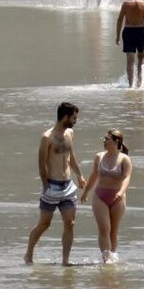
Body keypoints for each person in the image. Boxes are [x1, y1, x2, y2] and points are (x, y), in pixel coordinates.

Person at [24, 102, 86, 266]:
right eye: (73, 117)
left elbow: (70, 157)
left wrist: (79, 175)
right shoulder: (47, 137)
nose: (75, 121)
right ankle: (29, 253)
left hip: (68, 186)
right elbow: (42, 163)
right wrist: (46, 186)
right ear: (65, 117)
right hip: (52, 185)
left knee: (70, 223)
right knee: (44, 224)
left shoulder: (70, 133)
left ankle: (65, 261)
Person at [81, 130, 131, 264]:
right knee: (104, 228)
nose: (104, 141)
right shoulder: (99, 156)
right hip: (100, 196)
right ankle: (106, 259)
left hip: (117, 197)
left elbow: (127, 177)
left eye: (107, 139)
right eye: (104, 138)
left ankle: (112, 256)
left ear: (116, 142)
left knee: (113, 231)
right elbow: (94, 176)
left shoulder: (124, 159)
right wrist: (86, 192)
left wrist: (121, 192)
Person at [115, 0, 144, 86]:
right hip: (141, 31)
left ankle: (130, 85)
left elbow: (120, 20)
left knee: (130, 61)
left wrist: (118, 36)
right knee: (140, 61)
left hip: (128, 31)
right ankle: (139, 83)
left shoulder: (125, 4)